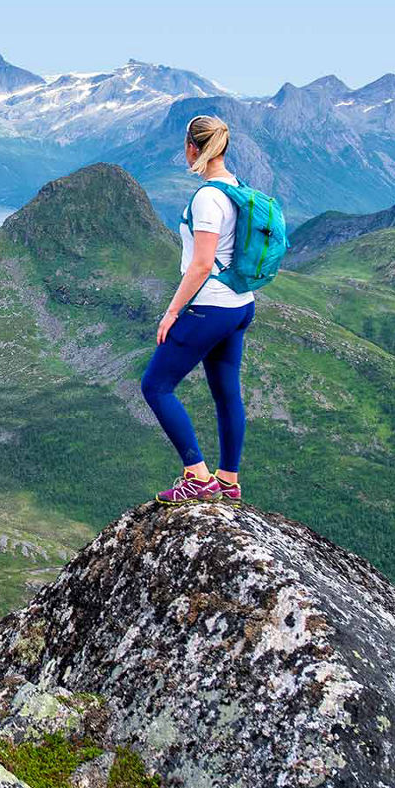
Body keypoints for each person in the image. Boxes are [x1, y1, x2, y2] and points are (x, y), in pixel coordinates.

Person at [141, 114, 254, 505]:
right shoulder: (237, 188)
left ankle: (198, 477)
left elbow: (202, 263)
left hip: (211, 307)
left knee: (155, 386)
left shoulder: (207, 197)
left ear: (194, 148)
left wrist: (172, 311)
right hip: (241, 305)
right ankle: (228, 480)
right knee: (227, 394)